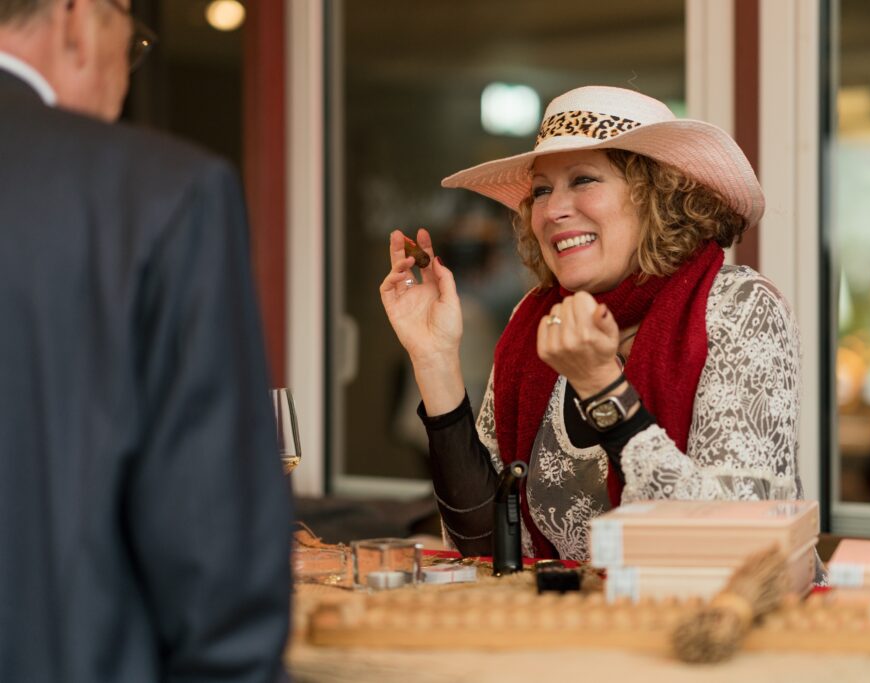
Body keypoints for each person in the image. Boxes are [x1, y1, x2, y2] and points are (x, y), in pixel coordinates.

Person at [380, 85, 807, 562]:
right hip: (580, 629)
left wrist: (603, 388)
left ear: (657, 198)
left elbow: (731, 541)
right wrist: (435, 361)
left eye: (583, 180)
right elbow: (483, 544)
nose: (553, 210)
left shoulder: (740, 306)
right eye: (542, 190)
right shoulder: (535, 318)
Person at [0, 1, 293, 682]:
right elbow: (216, 563)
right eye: (127, 41)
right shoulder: (160, 194)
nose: (125, 79)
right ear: (77, 19)